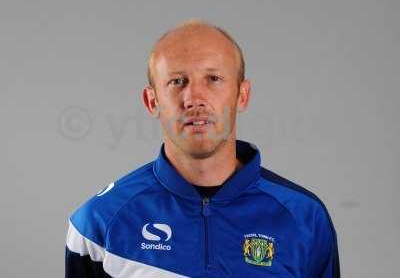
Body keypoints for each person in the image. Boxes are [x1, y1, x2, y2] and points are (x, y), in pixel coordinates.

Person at [65, 19, 340, 277]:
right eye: (177, 81)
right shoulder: (99, 222)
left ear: (242, 95)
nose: (194, 98)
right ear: (152, 102)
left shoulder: (305, 217)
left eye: (213, 79)